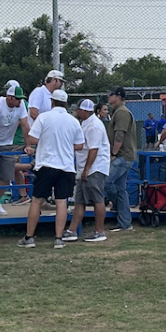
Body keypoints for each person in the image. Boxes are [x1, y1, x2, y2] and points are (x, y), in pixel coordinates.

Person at [19, 89, 84, 248]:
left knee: (36, 202)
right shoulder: (73, 121)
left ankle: (29, 237)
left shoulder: (44, 117)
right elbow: (80, 145)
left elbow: (33, 139)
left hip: (46, 164)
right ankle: (59, 238)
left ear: (52, 102)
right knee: (62, 202)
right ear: (66, 103)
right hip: (66, 167)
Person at [65, 99, 110, 242]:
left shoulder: (94, 126)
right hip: (85, 167)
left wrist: (87, 169)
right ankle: (71, 231)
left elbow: (94, 149)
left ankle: (99, 231)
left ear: (84, 110)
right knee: (80, 200)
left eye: (78, 109)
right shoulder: (86, 123)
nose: (76, 112)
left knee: (97, 199)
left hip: (94, 168)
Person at [0, 81, 30, 216]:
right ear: (10, 98)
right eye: (18, 99)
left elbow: (25, 125)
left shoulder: (21, 107)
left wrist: (27, 145)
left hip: (7, 142)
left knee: (7, 175)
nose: (20, 102)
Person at [105, 88, 137, 232]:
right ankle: (125, 223)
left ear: (118, 97)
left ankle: (117, 205)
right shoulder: (118, 112)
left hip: (122, 156)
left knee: (105, 182)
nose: (108, 96)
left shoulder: (122, 112)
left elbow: (120, 135)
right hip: (124, 155)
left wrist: (113, 153)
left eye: (110, 94)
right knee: (121, 189)